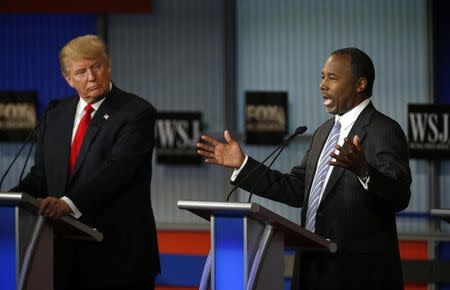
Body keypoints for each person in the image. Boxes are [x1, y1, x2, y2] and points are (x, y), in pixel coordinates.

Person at [197, 48, 411, 290]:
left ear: (360, 84)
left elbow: (400, 195)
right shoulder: (323, 133)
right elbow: (296, 189)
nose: (322, 85)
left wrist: (364, 170)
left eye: (332, 78)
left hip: (358, 275)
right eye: (322, 76)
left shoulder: (384, 130)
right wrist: (243, 165)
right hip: (311, 268)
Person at [13, 35, 160, 290]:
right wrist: (9, 201)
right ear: (68, 79)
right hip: (60, 257)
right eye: (81, 72)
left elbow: (116, 172)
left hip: (118, 259)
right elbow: (40, 176)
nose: (91, 77)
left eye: (97, 66)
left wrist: (67, 204)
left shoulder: (136, 112)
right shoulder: (55, 114)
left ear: (109, 66)